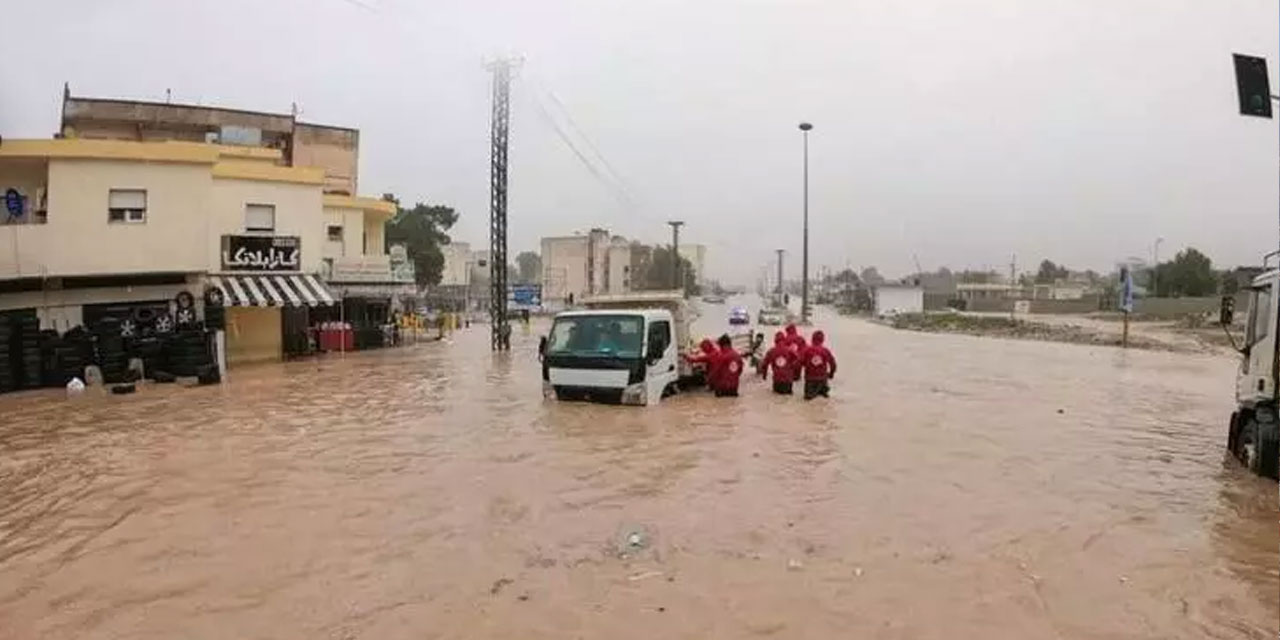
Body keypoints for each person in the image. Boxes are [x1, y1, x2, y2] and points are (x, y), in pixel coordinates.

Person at [801, 330, 837, 400]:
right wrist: (831, 374)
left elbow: (799, 363)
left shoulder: (807, 350)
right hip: (823, 380)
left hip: (810, 380)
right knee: (824, 400)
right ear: (822, 340)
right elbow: (833, 364)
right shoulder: (825, 351)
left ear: (812, 339)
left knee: (808, 401)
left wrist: (806, 365)